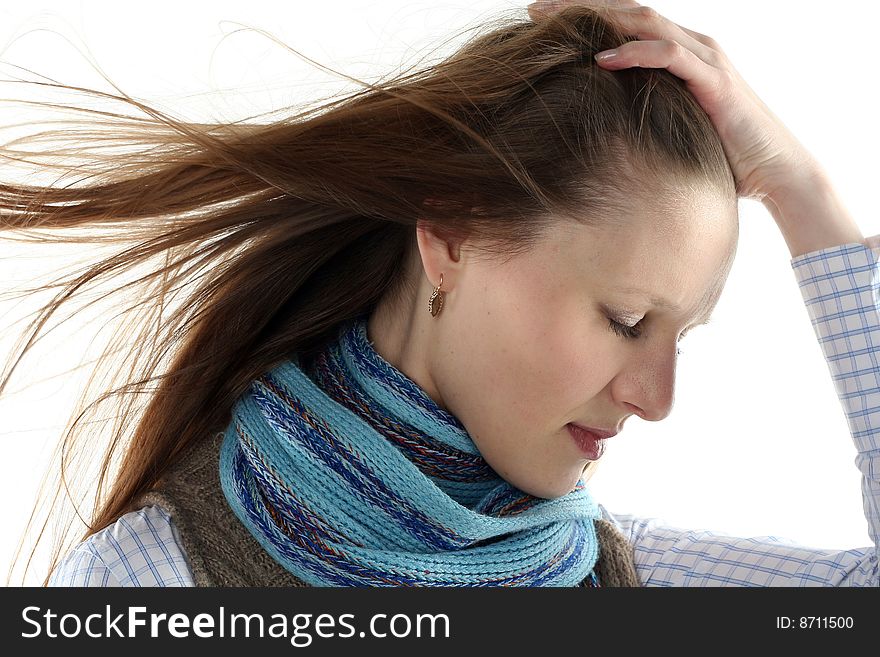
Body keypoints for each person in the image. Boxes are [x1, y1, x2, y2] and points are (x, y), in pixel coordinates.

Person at [4, 1, 876, 586]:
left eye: (677, 339)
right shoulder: (157, 579)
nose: (657, 399)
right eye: (627, 321)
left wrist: (801, 189)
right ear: (450, 235)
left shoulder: (627, 579)